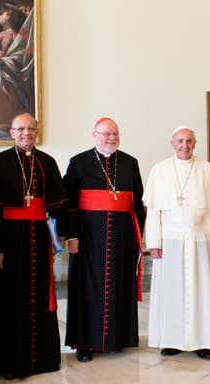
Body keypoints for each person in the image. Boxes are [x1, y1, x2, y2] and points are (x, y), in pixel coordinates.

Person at [0, 113, 66, 379]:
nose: (26, 133)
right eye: (20, 129)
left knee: (40, 296)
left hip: (39, 239)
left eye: (31, 128)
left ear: (37, 132)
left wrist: (58, 239)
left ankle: (43, 359)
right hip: (8, 240)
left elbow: (57, 207)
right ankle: (10, 363)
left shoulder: (47, 162)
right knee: (9, 298)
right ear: (11, 132)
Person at [143, 126, 210, 360]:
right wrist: (153, 242)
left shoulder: (208, 170)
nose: (185, 145)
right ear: (172, 144)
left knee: (203, 292)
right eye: (180, 141)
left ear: (195, 143)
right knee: (171, 292)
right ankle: (172, 341)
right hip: (170, 241)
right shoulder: (159, 171)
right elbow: (154, 212)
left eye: (189, 141)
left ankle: (204, 342)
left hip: (202, 239)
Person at [63, 117, 145, 362]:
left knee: (119, 284)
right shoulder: (79, 162)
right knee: (87, 288)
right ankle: (85, 343)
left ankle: (117, 339)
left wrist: (139, 235)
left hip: (122, 238)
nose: (111, 138)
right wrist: (72, 235)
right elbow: (69, 204)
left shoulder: (130, 163)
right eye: (106, 134)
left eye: (115, 134)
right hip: (88, 239)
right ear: (95, 135)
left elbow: (137, 203)